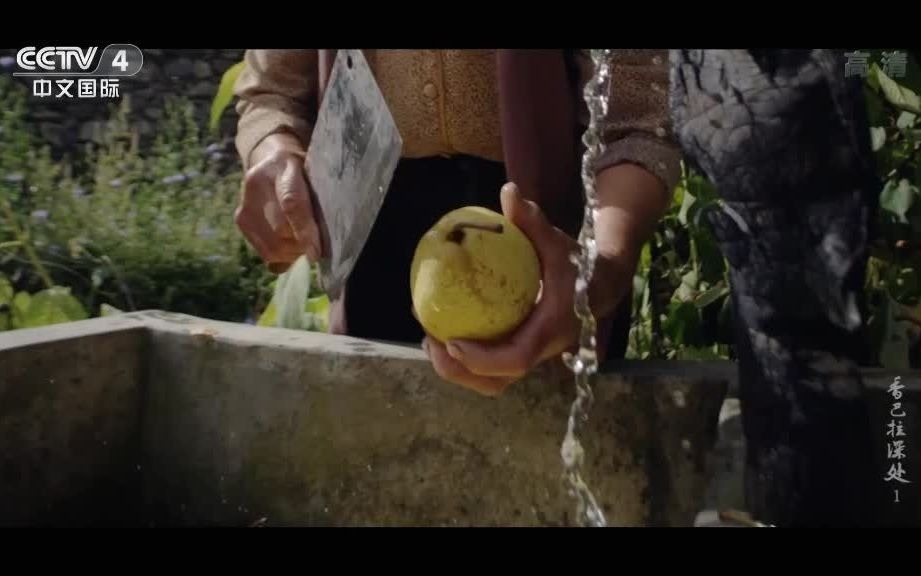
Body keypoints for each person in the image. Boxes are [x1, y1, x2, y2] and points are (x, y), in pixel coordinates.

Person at [233, 49, 681, 396]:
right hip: (373, 244)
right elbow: (274, 92)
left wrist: (599, 270)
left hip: (549, 247)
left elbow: (638, 114)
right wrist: (275, 153)